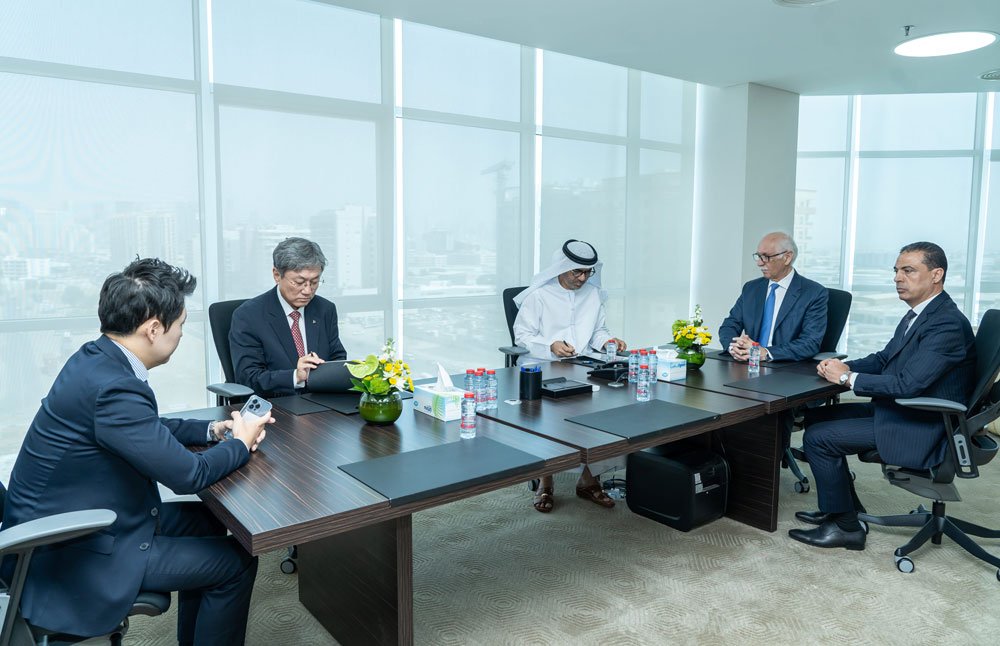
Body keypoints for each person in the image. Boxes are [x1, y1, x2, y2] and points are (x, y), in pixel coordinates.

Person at [2, 258, 272, 644]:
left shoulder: (96, 359)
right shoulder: (113, 386)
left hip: (87, 519)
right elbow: (189, 476)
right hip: (73, 551)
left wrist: (212, 429)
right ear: (154, 328)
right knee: (237, 563)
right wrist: (240, 443)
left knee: (208, 520)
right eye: (181, 325)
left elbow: (143, 427)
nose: (182, 334)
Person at [789, 242, 976, 551]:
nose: (898, 278)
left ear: (936, 275)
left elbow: (908, 384)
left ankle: (846, 528)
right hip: (905, 411)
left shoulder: (946, 324)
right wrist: (842, 366)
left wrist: (848, 379)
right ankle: (844, 508)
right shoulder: (921, 314)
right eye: (896, 271)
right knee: (816, 417)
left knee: (819, 439)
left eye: (908, 270)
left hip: (924, 425)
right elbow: (884, 359)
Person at [513, 239, 626, 512]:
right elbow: (522, 336)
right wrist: (550, 345)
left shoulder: (594, 295)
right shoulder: (539, 296)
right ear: (561, 268)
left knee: (604, 414)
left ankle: (588, 480)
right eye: (577, 272)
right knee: (549, 420)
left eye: (588, 272)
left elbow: (598, 332)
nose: (583, 278)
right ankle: (545, 481)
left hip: (582, 365)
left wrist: (608, 341)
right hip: (542, 366)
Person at [230, 237, 347, 397]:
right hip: (276, 404)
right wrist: (295, 376)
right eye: (299, 282)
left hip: (320, 400)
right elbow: (248, 378)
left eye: (314, 282)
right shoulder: (248, 316)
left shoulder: (325, 309)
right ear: (277, 275)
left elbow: (338, 359)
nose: (307, 291)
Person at [719, 231, 828, 363]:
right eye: (758, 256)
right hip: (749, 364)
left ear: (787, 257)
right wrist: (734, 348)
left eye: (766, 257)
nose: (759, 263)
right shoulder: (751, 288)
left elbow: (810, 343)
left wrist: (766, 353)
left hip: (785, 367)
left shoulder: (813, 293)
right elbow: (729, 325)